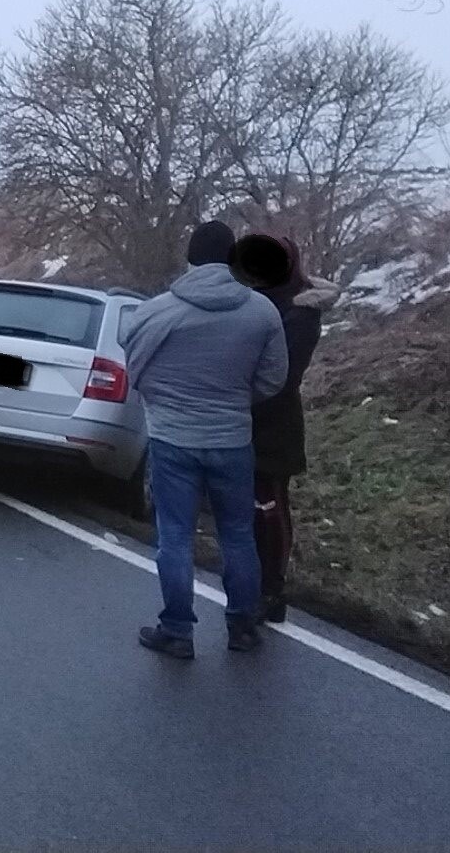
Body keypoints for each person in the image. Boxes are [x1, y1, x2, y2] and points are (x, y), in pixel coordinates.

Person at [121, 221, 288, 657]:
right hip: (233, 439)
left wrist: (167, 403)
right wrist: (234, 401)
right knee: (237, 535)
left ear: (190, 260)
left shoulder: (158, 311)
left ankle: (177, 631)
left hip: (173, 440)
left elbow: (136, 369)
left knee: (174, 536)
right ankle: (242, 627)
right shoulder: (262, 312)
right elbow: (274, 379)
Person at [233, 233, 341, 623]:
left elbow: (283, 373)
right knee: (248, 509)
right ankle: (253, 585)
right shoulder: (255, 300)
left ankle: (272, 591)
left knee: (270, 507)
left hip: (274, 425)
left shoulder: (300, 311)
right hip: (242, 419)